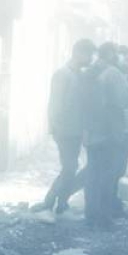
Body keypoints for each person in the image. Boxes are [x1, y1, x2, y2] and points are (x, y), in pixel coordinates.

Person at [34, 38, 95, 215]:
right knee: (69, 167)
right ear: (78, 53)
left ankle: (61, 202)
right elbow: (55, 104)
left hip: (75, 130)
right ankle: (49, 201)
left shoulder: (79, 74)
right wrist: (55, 128)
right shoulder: (63, 74)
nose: (90, 58)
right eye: (88, 54)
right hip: (65, 130)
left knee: (71, 167)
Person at [82, 41, 128, 228]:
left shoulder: (88, 72)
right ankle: (104, 217)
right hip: (109, 131)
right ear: (112, 54)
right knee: (108, 175)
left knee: (92, 174)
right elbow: (125, 100)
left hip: (91, 132)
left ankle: (90, 214)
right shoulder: (113, 73)